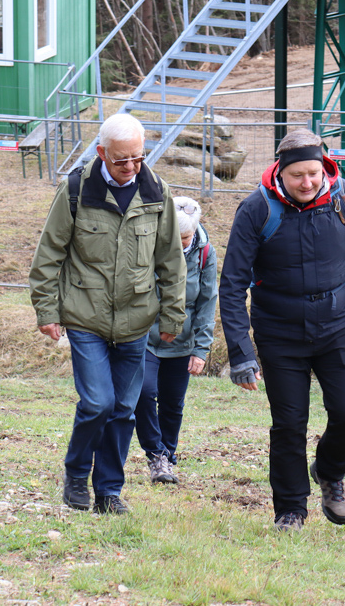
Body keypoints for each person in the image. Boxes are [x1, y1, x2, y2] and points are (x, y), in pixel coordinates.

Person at [219, 129, 345, 532]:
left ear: (324, 167)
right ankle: (291, 509)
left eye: (313, 173)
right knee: (289, 425)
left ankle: (330, 472)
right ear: (281, 172)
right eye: (297, 175)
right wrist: (241, 354)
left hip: (338, 327)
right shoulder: (256, 209)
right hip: (279, 333)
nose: (307, 182)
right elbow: (231, 285)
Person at [29, 112, 186, 515]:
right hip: (86, 317)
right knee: (98, 403)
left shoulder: (157, 193)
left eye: (138, 157)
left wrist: (173, 315)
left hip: (136, 321)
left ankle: (108, 491)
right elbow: (49, 254)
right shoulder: (76, 191)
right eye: (121, 159)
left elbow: (171, 260)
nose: (131, 166)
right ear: (101, 153)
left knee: (123, 410)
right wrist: (46, 310)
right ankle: (76, 474)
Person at [134, 196, 217, 485]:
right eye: (175, 237)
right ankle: (155, 453)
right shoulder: (146, 246)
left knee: (172, 404)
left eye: (186, 238)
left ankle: (166, 458)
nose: (180, 244)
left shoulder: (205, 253)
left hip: (182, 340)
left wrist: (201, 349)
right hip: (144, 336)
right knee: (143, 393)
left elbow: (207, 303)